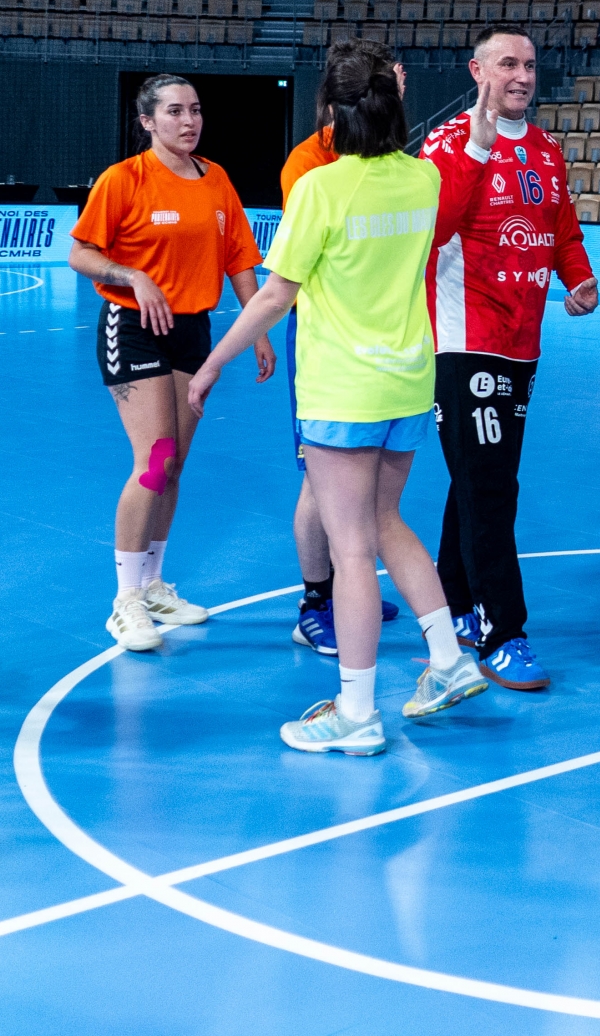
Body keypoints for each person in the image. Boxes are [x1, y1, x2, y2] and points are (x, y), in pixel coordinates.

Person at [189, 42, 490, 755]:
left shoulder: (320, 190)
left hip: (343, 391)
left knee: (351, 550)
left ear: (329, 108)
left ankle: (357, 713)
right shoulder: (423, 178)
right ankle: (447, 660)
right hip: (408, 383)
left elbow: (275, 295)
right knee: (387, 521)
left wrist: (213, 363)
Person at [69, 74, 275, 654]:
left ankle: (154, 585)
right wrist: (132, 275)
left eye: (196, 110)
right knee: (154, 459)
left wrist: (255, 327)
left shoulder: (217, 179)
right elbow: (81, 252)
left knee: (175, 463)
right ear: (147, 121)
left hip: (192, 330)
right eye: (175, 112)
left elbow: (239, 257)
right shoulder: (124, 179)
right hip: (134, 325)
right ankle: (126, 600)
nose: (189, 121)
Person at [421, 24, 598, 692]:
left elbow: (561, 227)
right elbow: (435, 230)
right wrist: (476, 150)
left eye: (529, 65)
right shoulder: (446, 143)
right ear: (477, 71)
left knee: (478, 477)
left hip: (522, 341)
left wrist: (578, 276)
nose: (522, 76)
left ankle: (456, 603)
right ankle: (503, 632)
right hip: (465, 340)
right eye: (507, 64)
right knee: (491, 485)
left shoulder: (547, 151)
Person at [281, 41, 404, 656]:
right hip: (326, 342)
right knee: (319, 481)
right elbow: (296, 276)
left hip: (379, 349)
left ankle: (348, 588)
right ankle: (315, 602)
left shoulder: (395, 162)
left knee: (366, 488)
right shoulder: (307, 166)